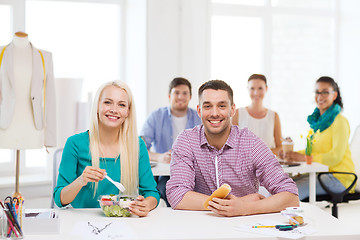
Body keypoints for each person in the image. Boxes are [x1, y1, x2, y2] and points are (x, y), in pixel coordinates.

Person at [166, 80, 299, 216]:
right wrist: (232, 204)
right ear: (199, 111)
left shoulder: (251, 143)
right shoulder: (186, 141)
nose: (215, 113)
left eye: (222, 106)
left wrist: (244, 208)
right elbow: (177, 194)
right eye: (207, 106)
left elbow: (291, 197)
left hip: (244, 226)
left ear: (232, 109)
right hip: (201, 224)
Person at [54, 81, 160, 217]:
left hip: (123, 221)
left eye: (121, 105)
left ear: (128, 112)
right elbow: (59, 199)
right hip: (83, 222)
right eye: (108, 102)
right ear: (97, 106)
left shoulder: (137, 145)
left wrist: (146, 205)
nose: (114, 110)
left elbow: (152, 193)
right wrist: (81, 180)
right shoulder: (75, 143)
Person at [280, 76, 355, 200]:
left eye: (325, 92)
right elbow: (311, 152)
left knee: (289, 194)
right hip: (319, 174)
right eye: (317, 92)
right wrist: (292, 155)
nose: (320, 96)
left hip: (339, 178)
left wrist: (305, 158)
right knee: (282, 186)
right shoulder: (317, 124)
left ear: (334, 95)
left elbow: (335, 156)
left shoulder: (340, 121)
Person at [140, 77, 201, 206]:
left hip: (195, 173)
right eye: (176, 93)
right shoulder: (156, 117)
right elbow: (139, 149)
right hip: (166, 174)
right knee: (166, 190)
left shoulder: (199, 117)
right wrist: (160, 157)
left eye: (185, 93)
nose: (180, 97)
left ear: (190, 96)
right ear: (169, 96)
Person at [232, 74, 282, 155]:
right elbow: (232, 145)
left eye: (260, 88)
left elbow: (280, 147)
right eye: (252, 88)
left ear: (266, 89)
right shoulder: (237, 113)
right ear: (247, 89)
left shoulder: (273, 116)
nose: (256, 92)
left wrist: (260, 155)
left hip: (268, 164)